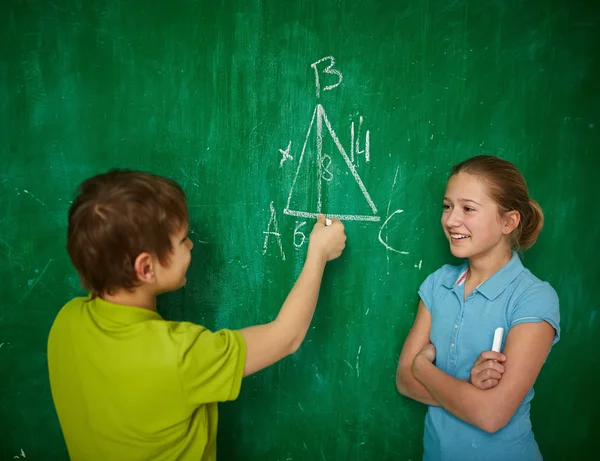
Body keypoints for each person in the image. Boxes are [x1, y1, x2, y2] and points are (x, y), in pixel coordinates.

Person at [47, 169, 346, 461]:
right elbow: (286, 337)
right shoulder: (180, 357)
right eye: (182, 240)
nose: (191, 244)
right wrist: (318, 254)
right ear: (146, 268)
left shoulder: (66, 321)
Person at [396, 155, 560, 461]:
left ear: (508, 222)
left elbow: (492, 415)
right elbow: (404, 381)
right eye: (447, 206)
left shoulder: (533, 297)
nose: (450, 220)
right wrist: (468, 390)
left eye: (468, 209)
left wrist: (423, 368)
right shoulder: (438, 284)